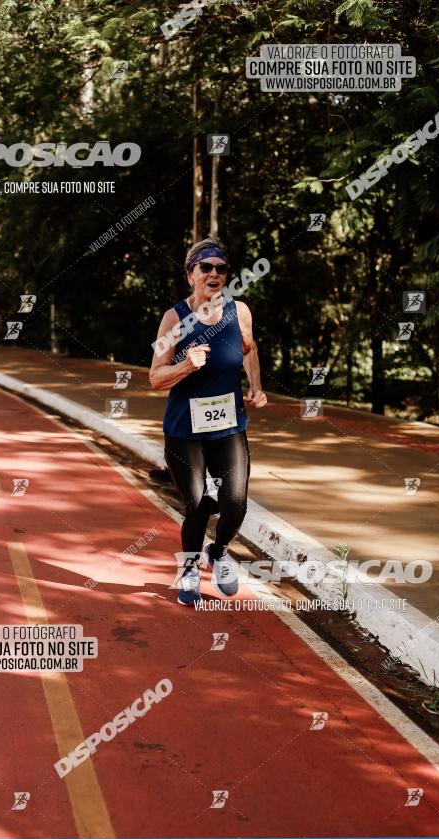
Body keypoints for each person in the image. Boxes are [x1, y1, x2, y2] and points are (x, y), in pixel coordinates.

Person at [149, 237, 267, 606]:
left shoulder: (239, 311)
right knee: (198, 503)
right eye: (206, 267)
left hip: (229, 425)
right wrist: (185, 365)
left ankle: (217, 553)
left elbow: (249, 347)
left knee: (236, 502)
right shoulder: (175, 319)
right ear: (191, 275)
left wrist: (257, 387)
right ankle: (188, 568)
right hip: (185, 431)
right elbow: (155, 377)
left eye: (221, 268)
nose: (214, 273)